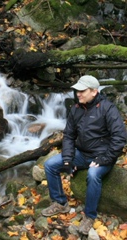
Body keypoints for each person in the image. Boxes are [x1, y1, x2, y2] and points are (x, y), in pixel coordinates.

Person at [41, 75, 127, 235]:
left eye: (82, 91)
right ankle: (60, 203)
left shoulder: (108, 108)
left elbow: (120, 137)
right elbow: (69, 136)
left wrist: (104, 159)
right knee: (50, 165)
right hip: (81, 153)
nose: (78, 94)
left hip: (102, 156)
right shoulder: (76, 109)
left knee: (93, 175)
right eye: (77, 91)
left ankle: (89, 216)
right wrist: (67, 159)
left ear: (94, 92)